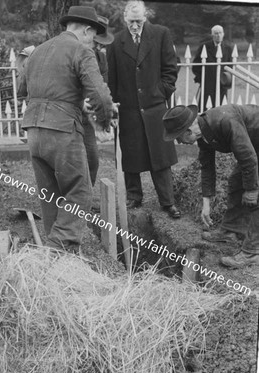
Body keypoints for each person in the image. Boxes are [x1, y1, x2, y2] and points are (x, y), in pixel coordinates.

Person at [22, 6, 114, 255]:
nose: (92, 42)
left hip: (33, 131)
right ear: (86, 30)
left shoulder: (39, 50)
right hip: (62, 130)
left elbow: (22, 90)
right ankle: (55, 249)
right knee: (80, 192)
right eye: (93, 36)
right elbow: (100, 95)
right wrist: (105, 122)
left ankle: (59, 260)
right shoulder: (82, 50)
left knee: (50, 195)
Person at [107, 0, 180, 219]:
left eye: (139, 21)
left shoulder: (161, 34)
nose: (135, 26)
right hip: (128, 109)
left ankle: (168, 202)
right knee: (130, 155)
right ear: (124, 19)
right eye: (131, 22)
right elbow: (112, 80)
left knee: (161, 158)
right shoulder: (115, 42)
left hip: (155, 108)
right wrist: (114, 106)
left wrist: (160, 93)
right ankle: (134, 197)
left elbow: (171, 69)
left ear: (145, 18)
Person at [162, 104, 259, 268]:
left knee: (255, 196)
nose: (179, 142)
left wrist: (251, 189)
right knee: (236, 182)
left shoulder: (225, 121)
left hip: (253, 146)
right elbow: (207, 166)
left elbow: (248, 158)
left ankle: (252, 252)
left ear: (188, 131)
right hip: (254, 145)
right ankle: (231, 230)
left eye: (178, 137)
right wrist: (206, 204)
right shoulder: (203, 131)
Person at [83, 15, 114, 186]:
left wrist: (107, 108)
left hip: (89, 117)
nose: (100, 47)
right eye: (98, 42)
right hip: (70, 116)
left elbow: (102, 86)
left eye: (103, 44)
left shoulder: (101, 59)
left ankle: (85, 201)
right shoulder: (75, 53)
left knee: (92, 160)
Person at [192, 25, 233, 110]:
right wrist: (202, 79)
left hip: (222, 83)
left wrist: (226, 80)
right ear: (212, 35)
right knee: (205, 107)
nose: (218, 35)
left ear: (223, 34)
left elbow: (230, 67)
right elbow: (196, 65)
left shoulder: (228, 48)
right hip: (207, 83)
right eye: (216, 33)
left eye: (220, 33)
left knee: (222, 107)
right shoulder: (204, 47)